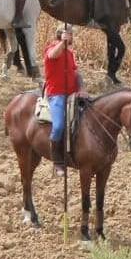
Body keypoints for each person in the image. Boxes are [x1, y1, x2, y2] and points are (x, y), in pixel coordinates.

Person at [44, 24, 87, 176]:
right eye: (68, 34)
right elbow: (52, 55)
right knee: (59, 126)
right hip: (57, 94)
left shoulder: (69, 54)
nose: (71, 37)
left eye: (71, 35)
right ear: (60, 35)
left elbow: (75, 73)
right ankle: (57, 161)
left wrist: (82, 88)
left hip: (73, 93)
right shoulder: (52, 48)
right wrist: (62, 42)